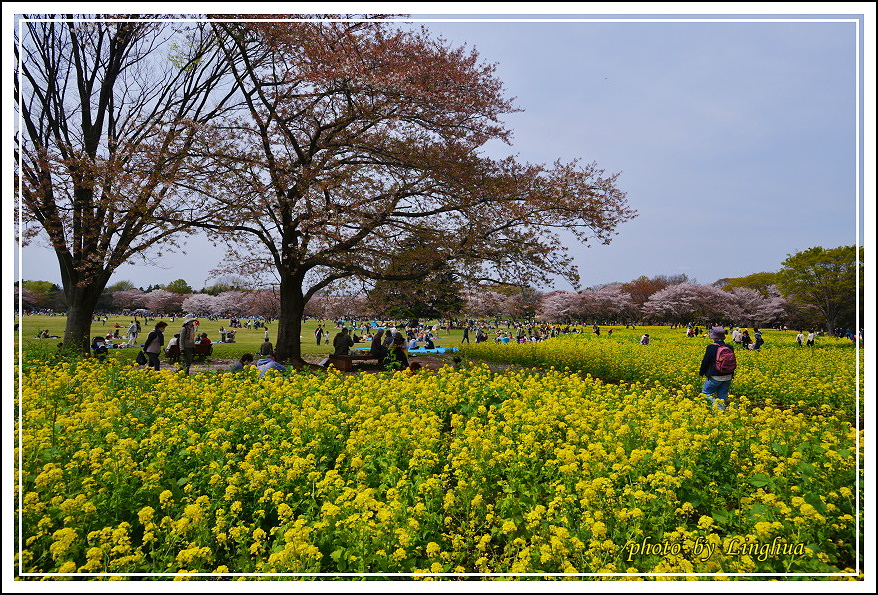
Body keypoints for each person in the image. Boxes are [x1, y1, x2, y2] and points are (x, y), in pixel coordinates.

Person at [699, 326, 736, 411]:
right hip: (728, 376)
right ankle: (721, 413)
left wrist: (701, 372)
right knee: (722, 396)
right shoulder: (729, 347)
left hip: (715, 376)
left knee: (705, 394)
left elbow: (706, 361)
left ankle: (717, 408)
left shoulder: (712, 347)